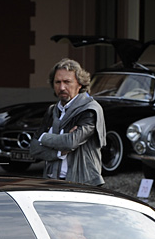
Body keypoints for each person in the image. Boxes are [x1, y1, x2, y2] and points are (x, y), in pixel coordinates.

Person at [29, 58, 106, 187]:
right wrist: (58, 153)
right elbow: (34, 149)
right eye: (57, 82)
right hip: (52, 181)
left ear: (79, 84)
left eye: (67, 82)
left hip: (82, 183)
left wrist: (44, 137)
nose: (62, 87)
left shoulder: (90, 109)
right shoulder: (52, 111)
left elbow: (71, 142)